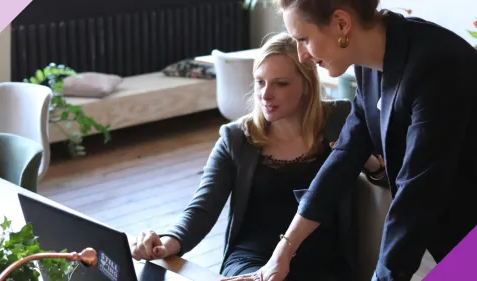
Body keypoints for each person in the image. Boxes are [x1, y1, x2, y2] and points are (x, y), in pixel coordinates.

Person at [221, 1, 477, 281]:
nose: (301, 55)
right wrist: (283, 252)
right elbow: (344, 155)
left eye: (303, 39)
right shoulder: (371, 65)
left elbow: (416, 193)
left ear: (342, 24)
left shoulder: (436, 65)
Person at [130, 32, 385, 281]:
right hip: (251, 259)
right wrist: (167, 242)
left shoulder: (341, 118)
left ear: (307, 85)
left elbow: (388, 178)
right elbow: (202, 209)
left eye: (280, 83)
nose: (265, 94)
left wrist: (366, 160)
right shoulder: (236, 138)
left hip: (323, 263)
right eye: (260, 82)